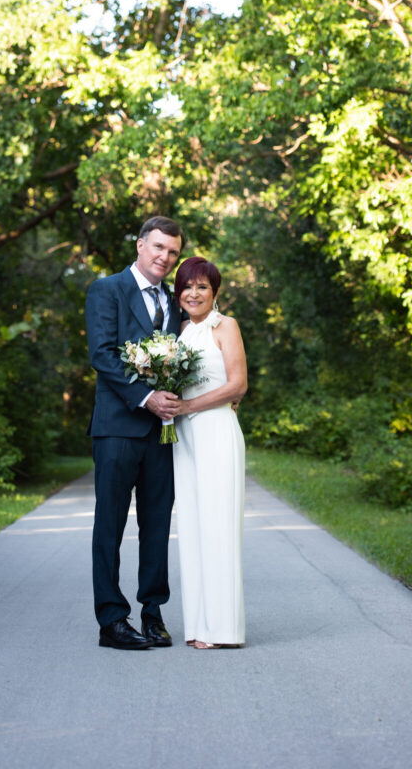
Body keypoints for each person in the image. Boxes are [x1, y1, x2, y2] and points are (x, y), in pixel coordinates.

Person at [85, 216, 185, 650]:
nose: (165, 257)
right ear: (141, 244)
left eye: (173, 253)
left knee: (158, 524)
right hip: (117, 428)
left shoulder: (176, 304)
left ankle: (153, 613)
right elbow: (103, 355)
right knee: (110, 525)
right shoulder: (106, 290)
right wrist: (145, 397)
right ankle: (112, 620)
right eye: (159, 247)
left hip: (161, 433)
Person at [171, 255, 247, 649]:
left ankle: (224, 630)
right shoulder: (182, 333)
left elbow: (237, 387)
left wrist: (189, 407)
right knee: (195, 531)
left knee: (218, 527)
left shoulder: (225, 326)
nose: (193, 293)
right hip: (186, 440)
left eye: (202, 286)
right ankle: (200, 626)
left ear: (215, 292)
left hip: (216, 431)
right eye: (186, 286)